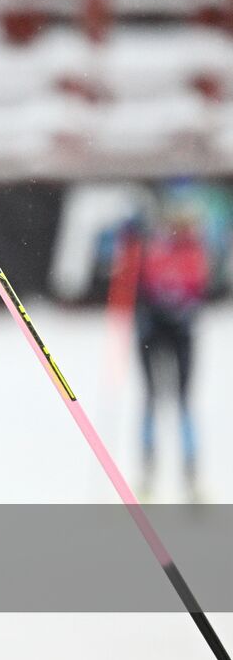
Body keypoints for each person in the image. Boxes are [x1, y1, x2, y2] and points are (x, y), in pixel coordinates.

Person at [122, 203, 210, 501]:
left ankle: (191, 476)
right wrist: (130, 243)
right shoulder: (152, 245)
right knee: (150, 398)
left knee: (184, 400)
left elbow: (195, 287)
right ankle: (146, 472)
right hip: (152, 331)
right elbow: (127, 270)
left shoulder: (195, 250)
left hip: (181, 333)